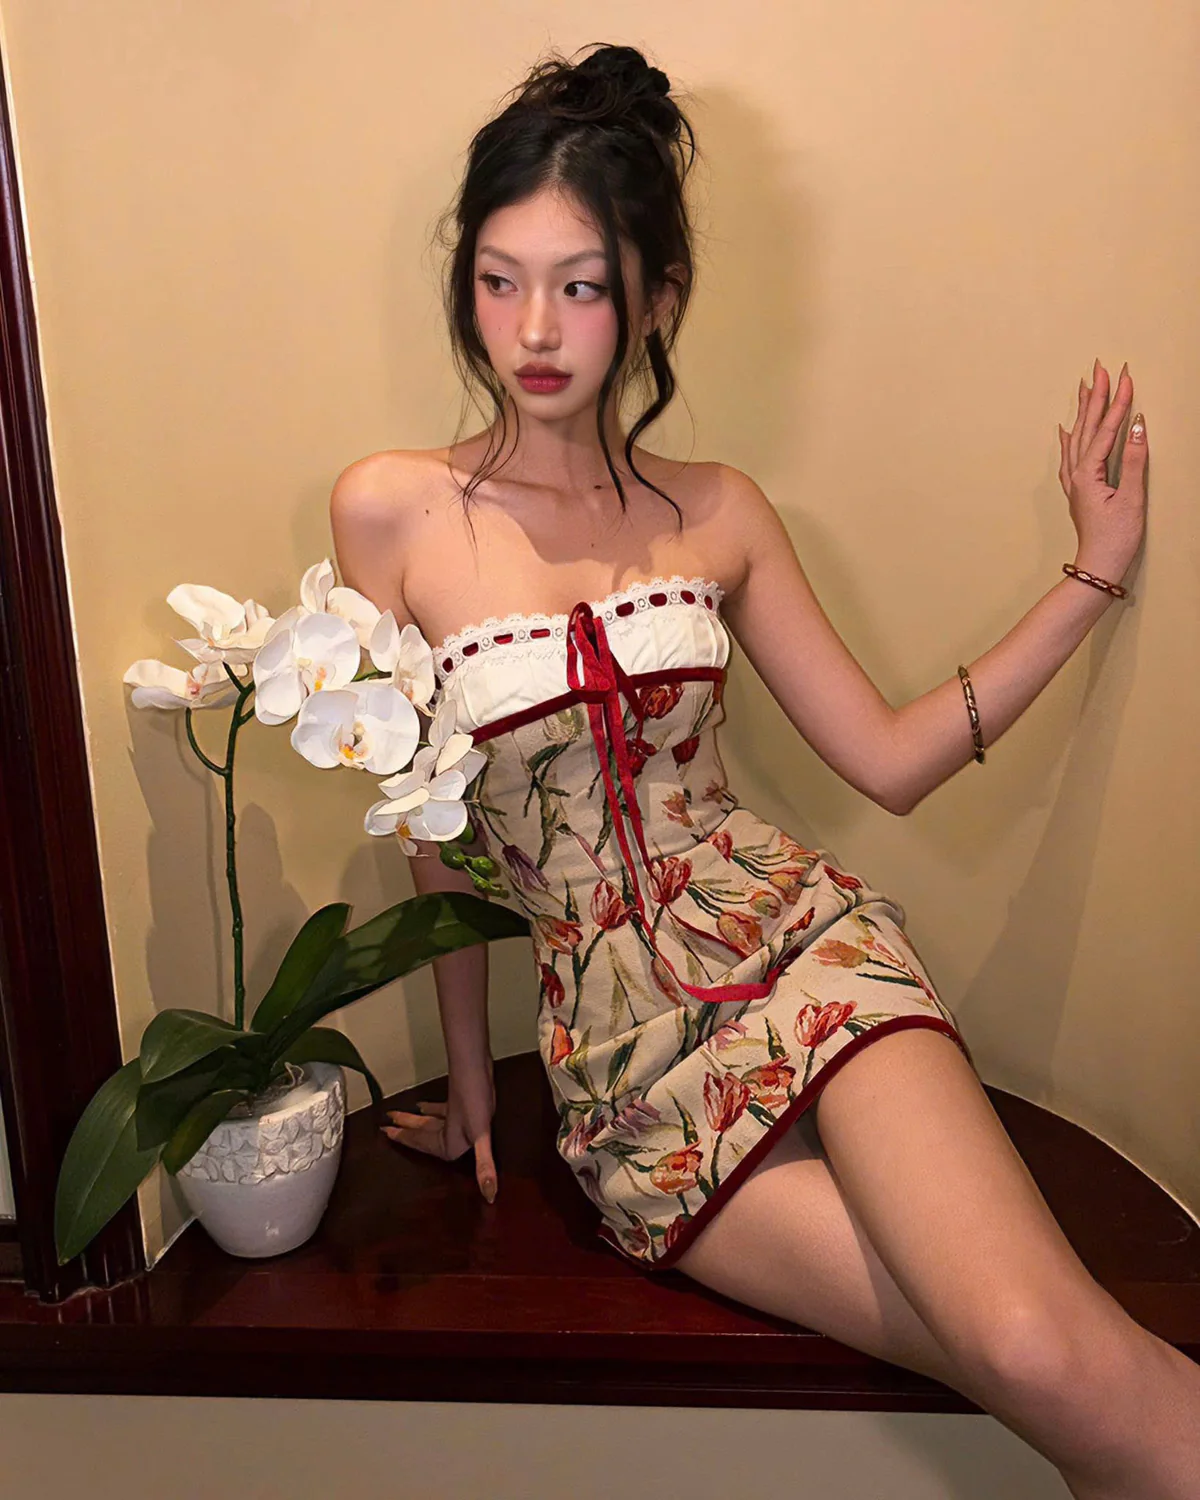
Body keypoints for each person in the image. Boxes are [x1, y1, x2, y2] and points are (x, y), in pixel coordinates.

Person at [331, 41, 1198, 1496]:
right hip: (622, 1061)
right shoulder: (388, 512)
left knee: (1044, 1352)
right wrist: (475, 1086)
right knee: (1045, 1367)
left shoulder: (722, 511)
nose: (534, 328)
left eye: (582, 285)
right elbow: (425, 826)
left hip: (804, 948)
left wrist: (1090, 575)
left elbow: (890, 759)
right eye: (498, 278)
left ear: (656, 299)